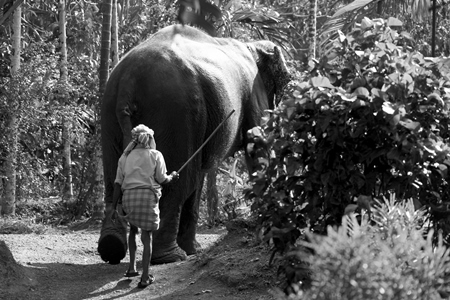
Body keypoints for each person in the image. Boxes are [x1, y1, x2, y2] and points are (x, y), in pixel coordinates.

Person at [112, 124, 179, 288]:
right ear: (149, 139)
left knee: (133, 230)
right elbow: (162, 180)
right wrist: (172, 176)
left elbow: (117, 184)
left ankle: (132, 267)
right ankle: (145, 277)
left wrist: (113, 207)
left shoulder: (124, 157)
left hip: (129, 198)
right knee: (147, 236)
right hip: (147, 198)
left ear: (135, 139)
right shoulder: (155, 155)